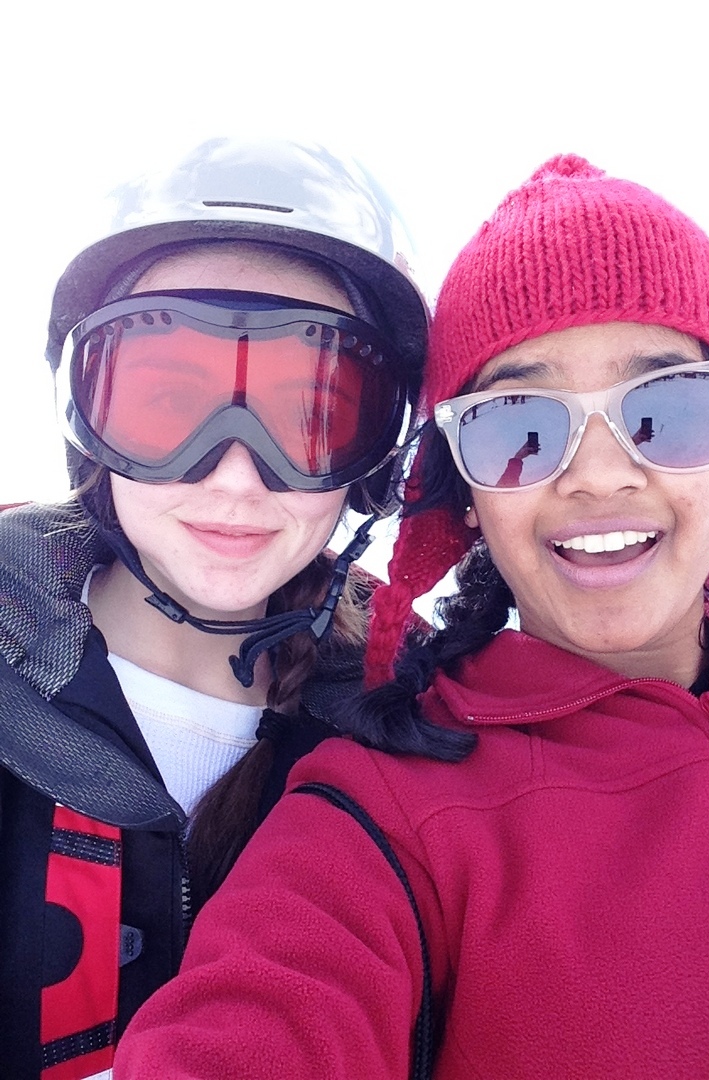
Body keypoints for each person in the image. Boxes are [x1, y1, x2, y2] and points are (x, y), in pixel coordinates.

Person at [115, 155, 709, 1080]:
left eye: (671, 409)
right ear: (467, 498)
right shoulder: (393, 808)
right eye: (519, 426)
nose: (600, 475)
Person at [0, 135, 428, 1080]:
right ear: (89, 419)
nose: (236, 475)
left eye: (310, 414)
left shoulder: (412, 738)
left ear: (373, 462)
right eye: (166, 401)